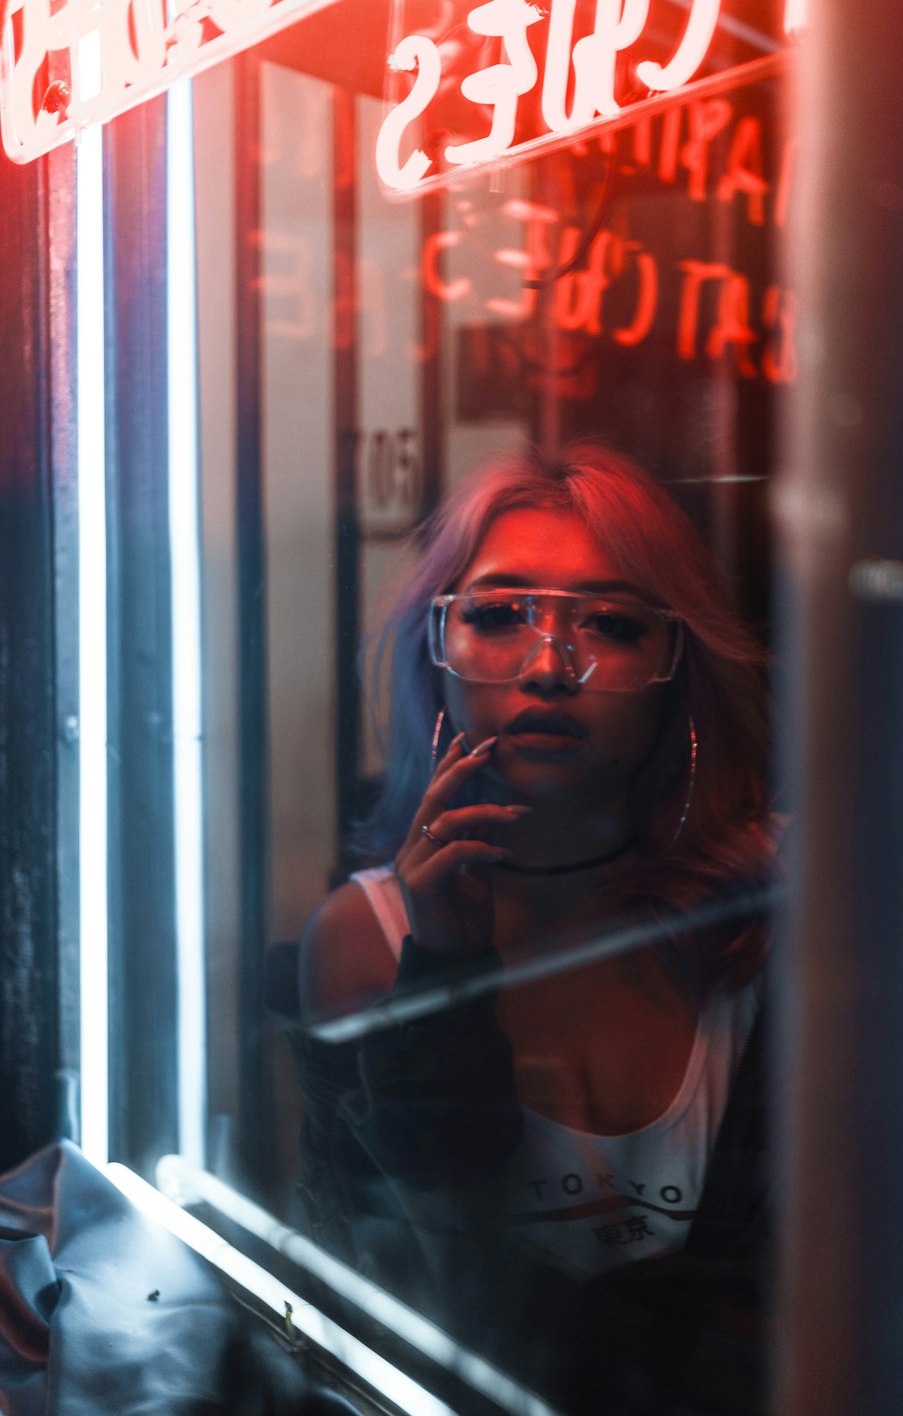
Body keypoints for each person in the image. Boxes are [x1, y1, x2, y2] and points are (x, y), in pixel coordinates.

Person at [289, 443, 776, 1413]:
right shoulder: (366, 937)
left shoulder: (759, 920)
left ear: (677, 670)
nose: (551, 666)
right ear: (440, 646)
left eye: (612, 622)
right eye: (500, 615)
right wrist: (445, 968)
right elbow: (430, 1282)